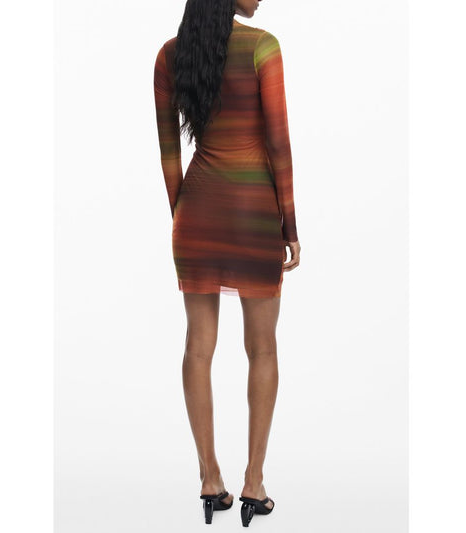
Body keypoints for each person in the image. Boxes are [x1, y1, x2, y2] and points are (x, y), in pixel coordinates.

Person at [153, 0, 301, 526]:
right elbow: (278, 145)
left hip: (196, 214)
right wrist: (290, 226)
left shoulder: (171, 55)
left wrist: (184, 215)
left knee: (198, 347)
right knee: (262, 348)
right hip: (254, 215)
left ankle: (209, 479)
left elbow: (169, 154)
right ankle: (254, 484)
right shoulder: (262, 47)